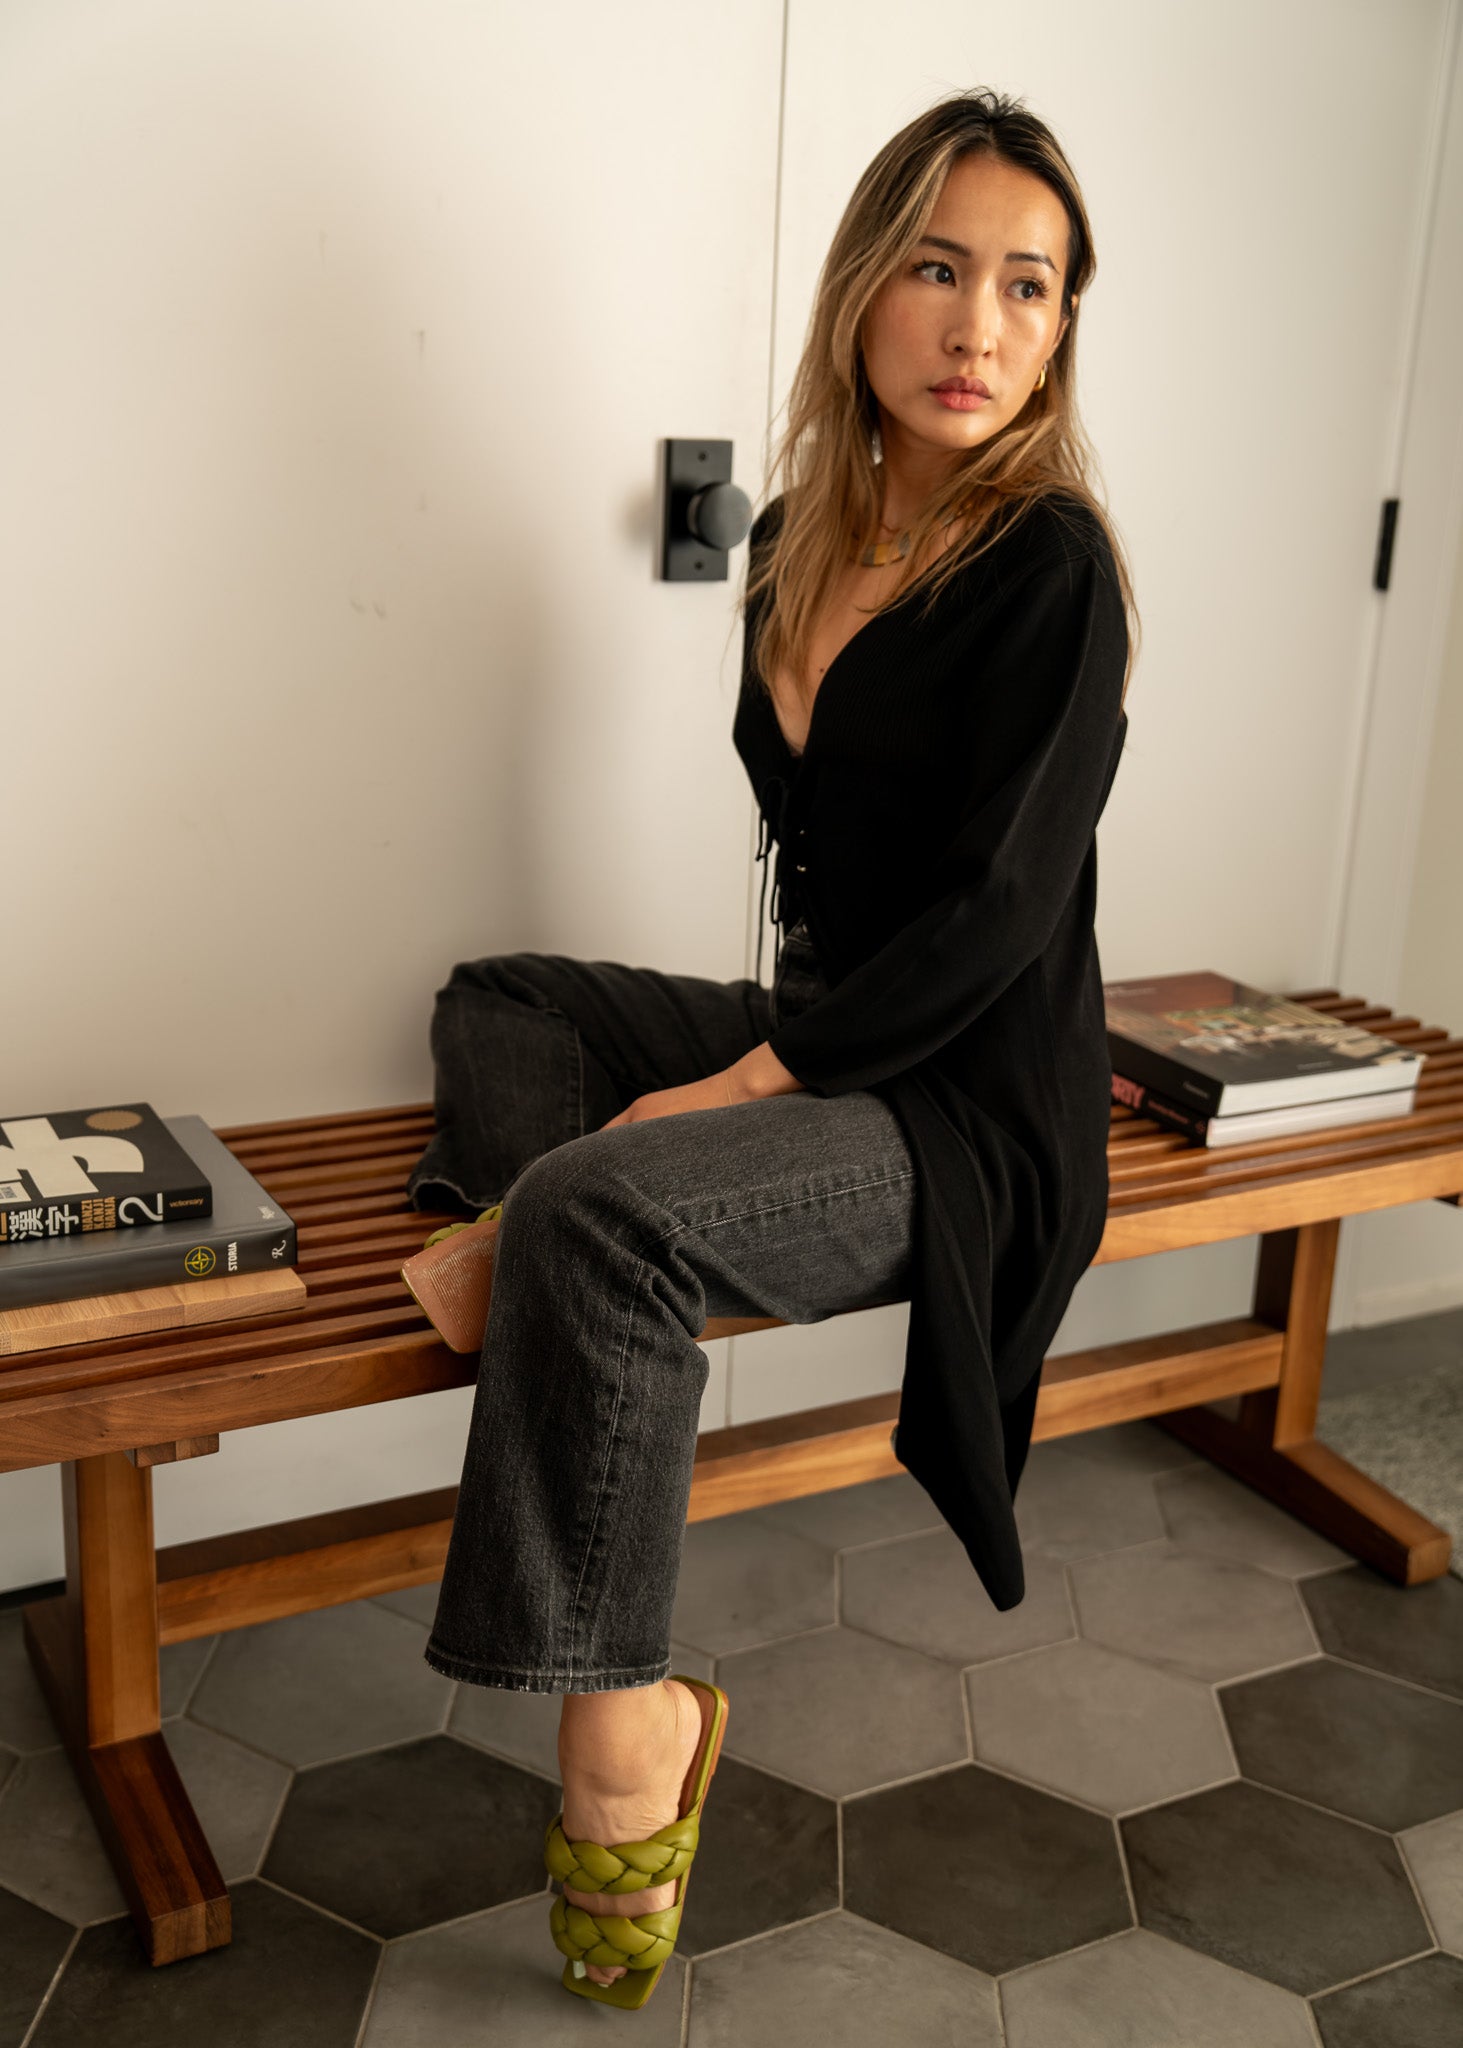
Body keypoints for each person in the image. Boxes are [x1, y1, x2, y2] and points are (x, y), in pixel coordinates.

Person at [399, 86, 1136, 2006]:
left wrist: (742, 1087)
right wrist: (752, 1058)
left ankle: (622, 1722)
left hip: (969, 1099)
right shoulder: (806, 531)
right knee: (509, 1002)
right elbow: (817, 880)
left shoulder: (1053, 572)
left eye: (1031, 288)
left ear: (1065, 328)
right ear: (865, 288)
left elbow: (987, 921)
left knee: (602, 1219)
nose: (982, 325)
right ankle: (532, 1236)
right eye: (941, 267)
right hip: (833, 1039)